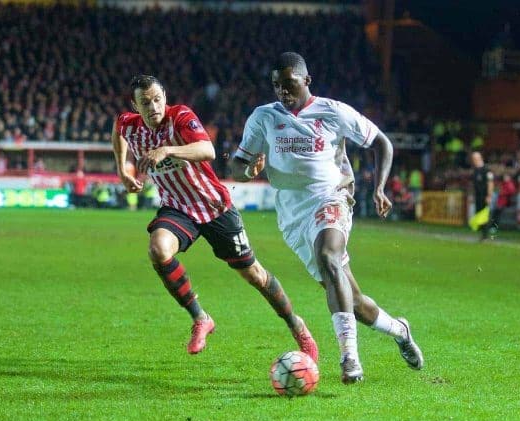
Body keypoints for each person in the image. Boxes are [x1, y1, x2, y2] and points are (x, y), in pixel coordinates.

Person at [231, 52, 424, 384]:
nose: (282, 91)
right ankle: (399, 330)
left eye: (288, 84)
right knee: (354, 299)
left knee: (328, 256)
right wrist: (249, 169)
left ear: (307, 80)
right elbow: (237, 165)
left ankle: (350, 358)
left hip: (332, 196)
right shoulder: (263, 117)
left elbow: (382, 143)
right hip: (292, 214)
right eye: (276, 85)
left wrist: (379, 187)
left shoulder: (333, 111)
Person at [111, 75, 317, 360]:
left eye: (158, 99)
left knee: (254, 274)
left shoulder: (180, 116)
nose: (153, 106)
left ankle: (297, 326)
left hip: (214, 207)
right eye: (145, 102)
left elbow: (207, 150)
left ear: (165, 98)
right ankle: (200, 318)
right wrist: (123, 169)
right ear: (135, 105)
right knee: (158, 249)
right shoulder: (129, 124)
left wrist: (166, 149)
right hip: (178, 208)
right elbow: (118, 129)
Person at [471, 151, 494, 241]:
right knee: (479, 214)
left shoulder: (486, 170)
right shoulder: (475, 171)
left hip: (484, 196)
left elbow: (490, 183)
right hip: (477, 196)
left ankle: (485, 235)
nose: (474, 160)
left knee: (484, 215)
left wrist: (489, 195)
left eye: (475, 158)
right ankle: (482, 234)